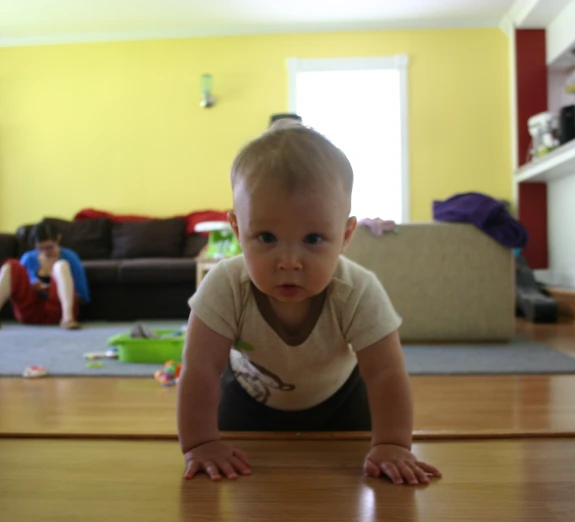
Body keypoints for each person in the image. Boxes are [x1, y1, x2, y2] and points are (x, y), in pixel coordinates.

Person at [177, 121, 441, 486]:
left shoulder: (358, 290)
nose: (289, 261)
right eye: (266, 237)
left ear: (345, 236)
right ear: (238, 231)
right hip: (247, 400)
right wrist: (201, 442)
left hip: (341, 403)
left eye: (314, 238)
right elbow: (200, 368)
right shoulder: (225, 286)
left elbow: (385, 374)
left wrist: (394, 444)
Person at [0, 220, 89, 331]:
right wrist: (33, 285)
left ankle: (68, 319)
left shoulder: (70, 257)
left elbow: (83, 295)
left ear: (58, 238)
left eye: (49, 248)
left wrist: (52, 288)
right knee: (10, 265)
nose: (45, 252)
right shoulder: (29, 257)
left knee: (61, 265)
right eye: (41, 249)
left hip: (58, 310)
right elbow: (19, 285)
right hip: (30, 311)